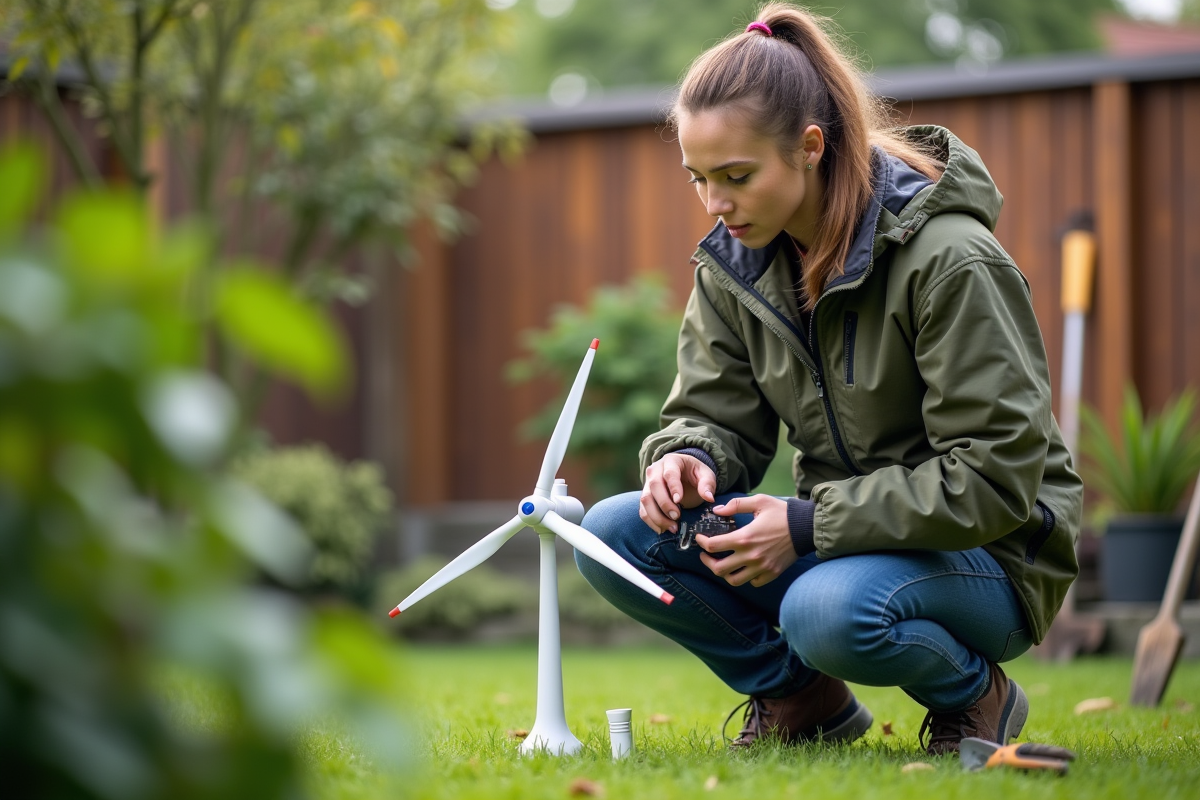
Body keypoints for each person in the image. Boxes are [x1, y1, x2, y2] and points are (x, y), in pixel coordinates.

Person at [575, 2, 1082, 756]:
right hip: (846, 539)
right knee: (612, 536)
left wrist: (809, 525)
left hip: (993, 554)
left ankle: (977, 696)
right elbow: (713, 411)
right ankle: (800, 698)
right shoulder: (736, 264)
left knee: (824, 611)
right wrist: (689, 460)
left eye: (736, 177)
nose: (716, 204)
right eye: (698, 179)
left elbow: (995, 477)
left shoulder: (950, 260)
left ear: (810, 147)